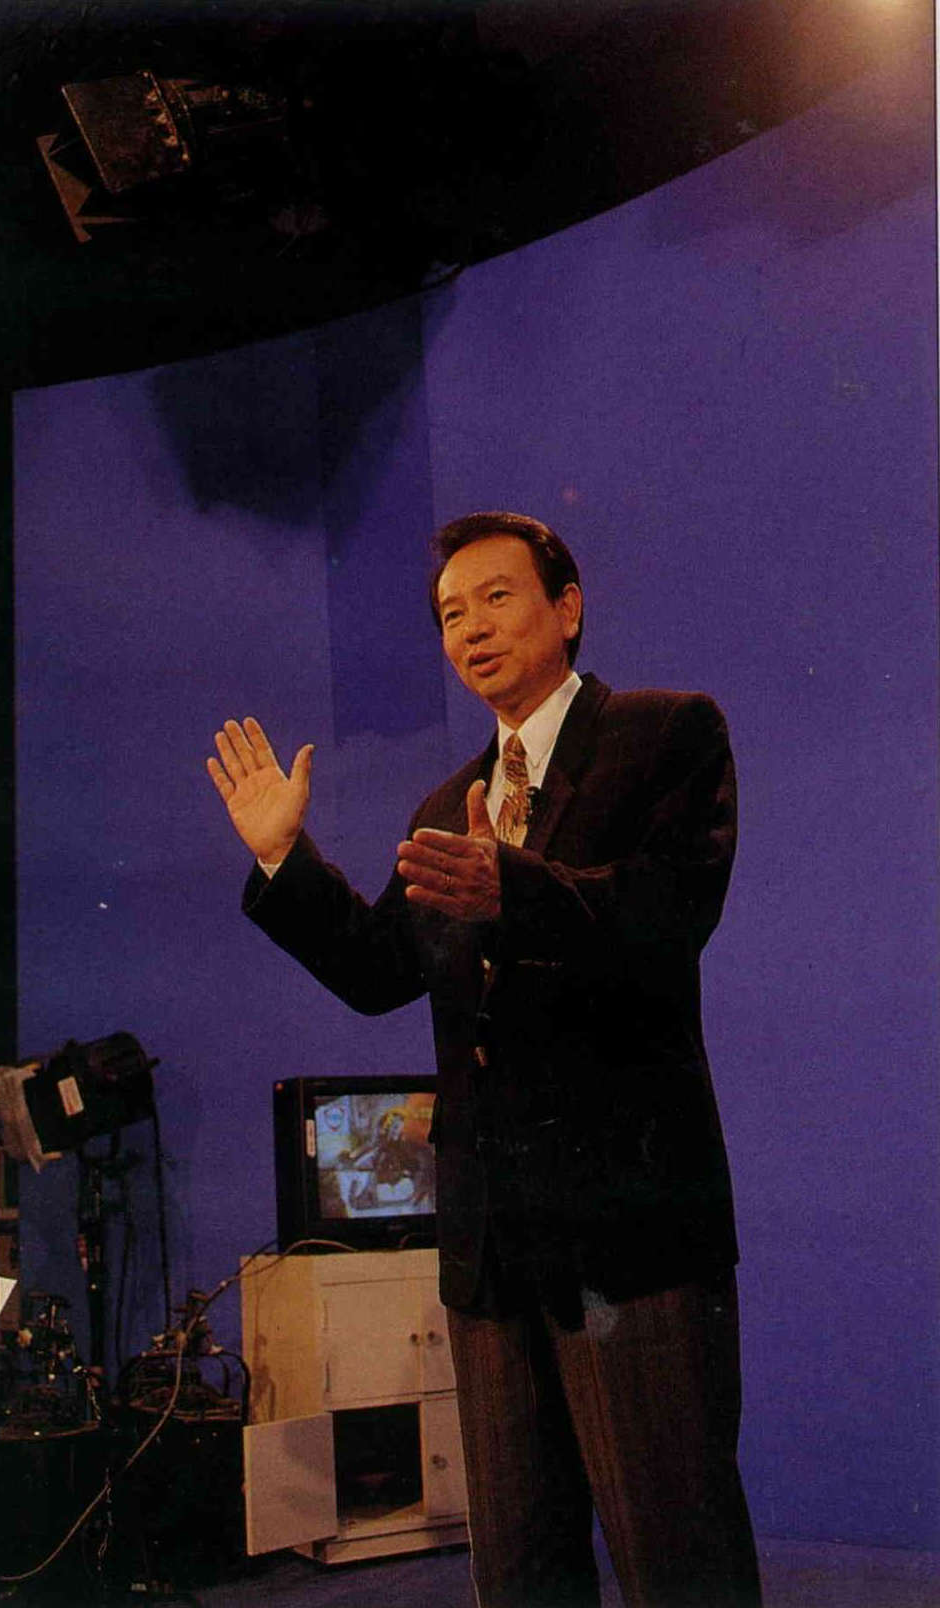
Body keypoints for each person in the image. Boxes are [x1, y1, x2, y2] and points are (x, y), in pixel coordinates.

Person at [207, 511, 761, 1608]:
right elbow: (381, 970)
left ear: (568, 608)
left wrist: (516, 889)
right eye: (451, 614)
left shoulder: (666, 734)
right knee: (518, 1574)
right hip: (491, 1254)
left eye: (497, 597)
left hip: (629, 1247)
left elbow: (667, 914)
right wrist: (284, 859)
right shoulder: (447, 806)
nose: (472, 628)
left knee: (677, 1564)